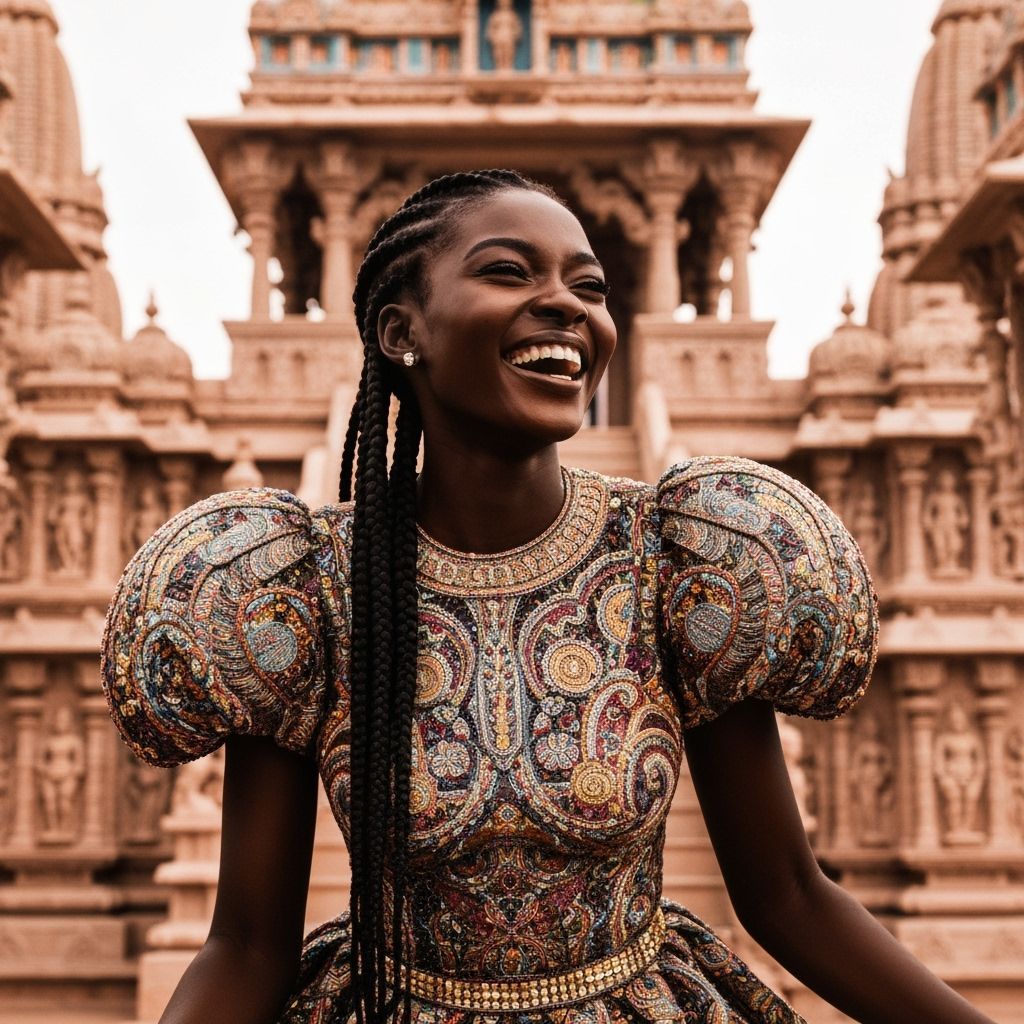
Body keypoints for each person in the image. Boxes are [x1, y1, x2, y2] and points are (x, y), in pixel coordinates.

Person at [102, 170, 996, 1024]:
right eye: (507, 271)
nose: (568, 304)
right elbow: (249, 946)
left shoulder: (685, 561)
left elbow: (788, 896)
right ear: (397, 331)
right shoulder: (303, 595)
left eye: (591, 285)